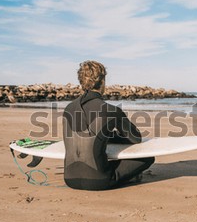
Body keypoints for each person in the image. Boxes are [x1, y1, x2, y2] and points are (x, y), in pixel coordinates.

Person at [62, 60, 155, 190]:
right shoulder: (110, 110)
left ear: (82, 81)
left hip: (69, 179)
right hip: (98, 181)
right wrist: (115, 136)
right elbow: (135, 138)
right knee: (147, 158)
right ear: (103, 81)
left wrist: (108, 135)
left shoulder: (68, 108)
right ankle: (129, 178)